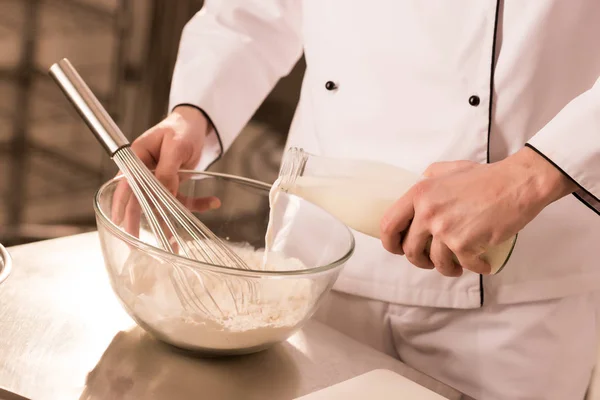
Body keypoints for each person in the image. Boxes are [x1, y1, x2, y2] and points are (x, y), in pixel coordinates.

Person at [127, 2, 600, 399]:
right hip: (317, 269)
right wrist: (194, 114)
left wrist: (532, 175)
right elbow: (254, 11)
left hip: (514, 289)